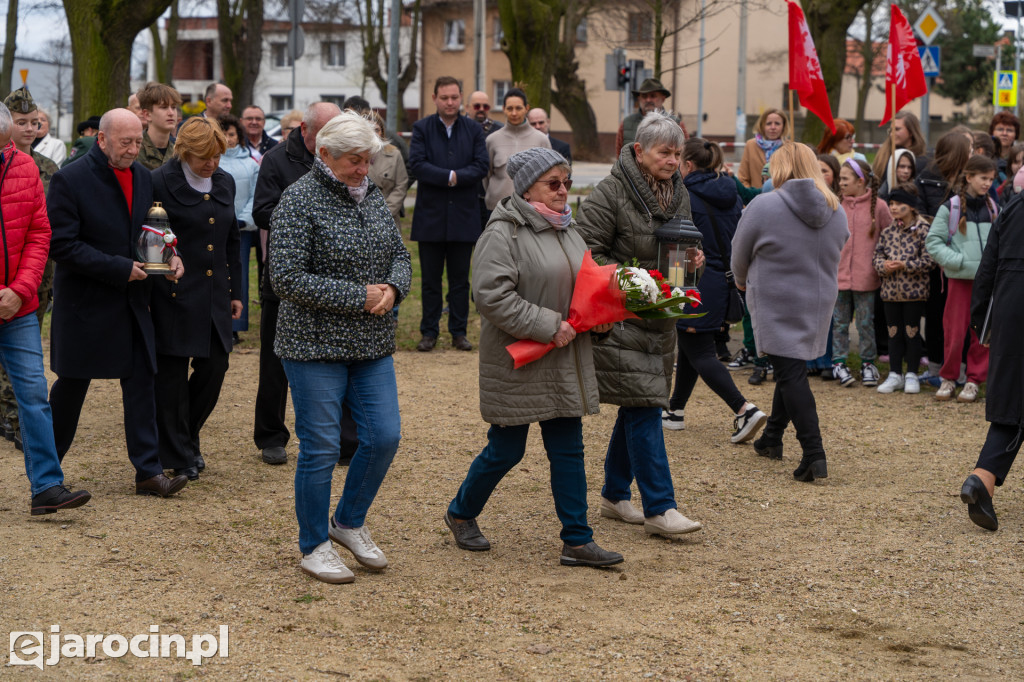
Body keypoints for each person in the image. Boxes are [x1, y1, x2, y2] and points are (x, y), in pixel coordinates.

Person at [445, 146, 623, 567]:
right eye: (553, 183)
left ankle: (577, 540)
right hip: (520, 358)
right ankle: (460, 511)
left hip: (564, 357)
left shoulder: (569, 229)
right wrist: (548, 325)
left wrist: (600, 319)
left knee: (569, 449)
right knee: (506, 450)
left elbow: (586, 286)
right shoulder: (502, 232)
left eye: (567, 182)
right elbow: (491, 296)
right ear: (527, 188)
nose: (563, 190)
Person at [270, 111, 411, 584]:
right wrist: (360, 297)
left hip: (371, 344)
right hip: (313, 346)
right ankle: (313, 545)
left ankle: (348, 522)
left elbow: (400, 254)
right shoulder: (298, 200)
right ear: (323, 154)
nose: (363, 170)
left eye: (367, 160)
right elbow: (285, 277)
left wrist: (393, 286)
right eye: (354, 161)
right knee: (322, 447)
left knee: (384, 436)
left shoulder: (369, 196)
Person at [46, 108, 189, 498]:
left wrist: (170, 254)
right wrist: (118, 267)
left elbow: (155, 228)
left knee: (143, 382)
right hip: (87, 305)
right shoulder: (69, 179)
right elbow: (62, 244)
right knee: (71, 388)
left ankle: (148, 471)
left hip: (133, 302)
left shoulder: (143, 177)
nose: (133, 149)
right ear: (102, 139)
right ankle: (46, 473)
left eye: (138, 141)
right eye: (125, 142)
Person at [577, 112, 704, 536]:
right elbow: (586, 254)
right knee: (646, 404)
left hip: (661, 317)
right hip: (622, 317)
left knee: (639, 403)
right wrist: (635, 281)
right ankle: (660, 507)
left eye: (678, 154)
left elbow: (679, 253)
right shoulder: (608, 194)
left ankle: (615, 494)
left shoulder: (678, 193)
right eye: (664, 152)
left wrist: (691, 266)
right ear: (638, 150)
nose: (672, 161)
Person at [732, 142, 849, 481]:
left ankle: (814, 453)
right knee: (791, 366)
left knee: (791, 373)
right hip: (818, 299)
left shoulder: (763, 205)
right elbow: (841, 244)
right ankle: (772, 438)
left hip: (774, 298)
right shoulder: (836, 208)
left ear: (780, 167)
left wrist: (741, 281)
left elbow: (738, 253)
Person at [0, 103, 92, 515]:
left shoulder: (26, 168)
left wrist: (20, 290)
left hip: (18, 306)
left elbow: (40, 232)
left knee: (35, 396)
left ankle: (47, 486)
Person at [150, 117, 242, 480]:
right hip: (172, 292)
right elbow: (149, 237)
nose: (212, 164)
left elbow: (231, 239)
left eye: (217, 156)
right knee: (171, 376)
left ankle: (185, 436)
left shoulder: (225, 181)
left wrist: (235, 292)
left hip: (214, 292)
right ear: (184, 151)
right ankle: (178, 453)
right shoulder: (158, 181)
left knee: (215, 366)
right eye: (204, 157)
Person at [252, 101, 343, 465]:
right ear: (304, 129)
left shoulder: (339, 156)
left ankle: (336, 436)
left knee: (336, 358)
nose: (330, 140)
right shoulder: (276, 160)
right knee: (275, 363)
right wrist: (308, 223)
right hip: (286, 278)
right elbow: (261, 210)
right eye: (323, 133)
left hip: (333, 277)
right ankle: (271, 436)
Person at [664, 138, 767, 442]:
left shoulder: (685, 197)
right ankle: (675, 410)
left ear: (689, 165)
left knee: (700, 351)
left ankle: (744, 409)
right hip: (723, 278)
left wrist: (672, 287)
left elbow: (680, 246)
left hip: (693, 278)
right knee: (691, 345)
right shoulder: (731, 193)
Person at [960, 186, 1024, 531]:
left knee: (1014, 400)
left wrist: (980, 316)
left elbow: (988, 266)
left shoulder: (1013, 207)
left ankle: (980, 480)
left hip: (1010, 310)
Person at [409, 76, 489, 353]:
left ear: (461, 97)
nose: (450, 102)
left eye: (455, 97)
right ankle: (428, 332)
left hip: (464, 218)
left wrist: (456, 177)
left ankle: (459, 332)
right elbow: (417, 164)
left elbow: (481, 165)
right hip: (430, 218)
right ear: (435, 99)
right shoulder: (421, 128)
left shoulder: (474, 130)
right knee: (430, 281)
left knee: (459, 281)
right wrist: (451, 176)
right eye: (444, 98)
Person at [1, 85, 59, 449]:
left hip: (35, 276)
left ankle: (19, 419)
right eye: (21, 122)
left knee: (29, 369)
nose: (28, 129)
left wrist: (25, 285)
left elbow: (43, 227)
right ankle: (8, 414)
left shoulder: (47, 169)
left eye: (34, 122)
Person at [925, 155, 996, 403]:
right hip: (959, 281)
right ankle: (949, 377)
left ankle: (974, 380)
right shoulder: (951, 207)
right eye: (983, 178)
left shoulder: (993, 208)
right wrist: (958, 263)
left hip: (986, 284)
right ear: (969, 177)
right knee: (954, 332)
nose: (988, 183)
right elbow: (932, 242)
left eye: (991, 179)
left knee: (982, 334)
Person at [916, 131, 972, 382]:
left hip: (963, 260)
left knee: (963, 319)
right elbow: (921, 213)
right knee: (936, 315)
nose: (972, 153)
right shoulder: (926, 178)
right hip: (934, 259)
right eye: (968, 149)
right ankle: (935, 367)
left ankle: (960, 368)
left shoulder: (970, 182)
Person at [831, 158, 891, 387]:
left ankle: (868, 363)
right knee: (840, 323)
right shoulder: (835, 204)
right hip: (838, 277)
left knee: (866, 323)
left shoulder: (880, 207)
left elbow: (888, 236)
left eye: (845, 178)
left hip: (867, 278)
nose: (841, 182)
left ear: (860, 181)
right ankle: (839, 362)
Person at [873, 183, 933, 394]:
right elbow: (877, 256)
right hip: (890, 293)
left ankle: (912, 374)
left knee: (912, 332)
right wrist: (884, 266)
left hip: (914, 294)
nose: (894, 208)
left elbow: (929, 261)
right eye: (891, 203)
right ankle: (895, 373)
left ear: (911, 206)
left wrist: (905, 265)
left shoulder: (923, 230)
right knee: (893, 333)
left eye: (899, 203)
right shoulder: (888, 231)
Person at [218, 114, 260, 343]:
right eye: (223, 133)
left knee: (238, 276)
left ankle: (235, 325)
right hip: (215, 228)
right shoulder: (211, 161)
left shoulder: (250, 164)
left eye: (232, 134)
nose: (227, 138)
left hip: (240, 230)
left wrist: (243, 220)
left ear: (239, 136)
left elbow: (256, 196)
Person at [484, 88, 550, 211]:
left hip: (532, 210)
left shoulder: (541, 140)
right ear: (503, 109)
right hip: (497, 209)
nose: (514, 113)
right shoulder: (492, 140)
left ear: (527, 108)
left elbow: (548, 176)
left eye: (518, 108)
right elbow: (486, 177)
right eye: (509, 108)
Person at [806, 154, 842, 380]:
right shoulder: (806, 199)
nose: (820, 175)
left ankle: (826, 359)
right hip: (809, 262)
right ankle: (809, 359)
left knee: (828, 315)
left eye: (825, 171)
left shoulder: (840, 201)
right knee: (809, 314)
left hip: (831, 262)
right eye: (816, 170)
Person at [614, 77, 688, 151]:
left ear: (663, 98)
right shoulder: (626, 124)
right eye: (644, 96)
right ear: (639, 99)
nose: (648, 100)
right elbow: (620, 157)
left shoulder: (676, 124)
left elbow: (685, 154)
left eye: (653, 96)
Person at [367, 112, 409, 225]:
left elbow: (401, 185)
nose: (374, 134)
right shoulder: (352, 154)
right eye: (369, 129)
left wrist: (385, 212)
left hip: (388, 218)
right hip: (361, 218)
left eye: (376, 130)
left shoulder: (394, 154)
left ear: (382, 132)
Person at [737, 109, 788, 190]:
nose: (773, 127)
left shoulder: (789, 148)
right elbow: (743, 178)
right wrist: (751, 196)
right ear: (762, 125)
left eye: (777, 123)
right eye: (769, 123)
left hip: (781, 200)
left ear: (783, 126)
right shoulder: (751, 145)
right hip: (756, 198)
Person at [136, 81, 181, 171]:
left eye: (173, 107)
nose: (171, 113)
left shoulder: (180, 152)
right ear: (147, 114)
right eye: (163, 107)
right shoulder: (135, 150)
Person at [872, 111, 928, 180]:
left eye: (897, 129)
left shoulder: (924, 160)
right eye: (891, 130)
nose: (892, 134)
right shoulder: (885, 156)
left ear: (911, 131)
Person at [988, 111, 1019, 179]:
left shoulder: (1020, 158)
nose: (1004, 133)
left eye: (1009, 130)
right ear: (992, 132)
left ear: (1016, 134)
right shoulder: (986, 157)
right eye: (1000, 129)